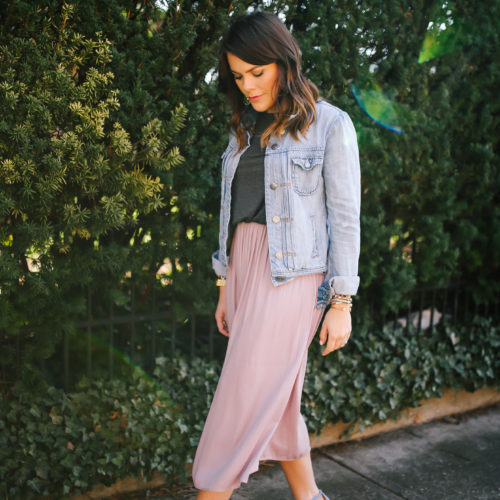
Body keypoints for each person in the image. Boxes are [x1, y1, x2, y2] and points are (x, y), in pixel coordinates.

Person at [192, 11, 361, 500]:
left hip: (292, 276)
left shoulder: (330, 123)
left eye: (257, 73)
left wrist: (341, 302)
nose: (248, 85)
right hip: (245, 270)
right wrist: (225, 284)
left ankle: (210, 490)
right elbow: (232, 211)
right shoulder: (243, 125)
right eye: (239, 76)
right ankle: (310, 497)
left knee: (239, 400)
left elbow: (346, 219)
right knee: (279, 400)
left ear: (284, 62)